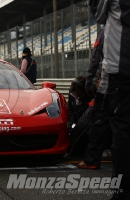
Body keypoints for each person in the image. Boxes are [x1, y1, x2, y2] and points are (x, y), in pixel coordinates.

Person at [90, 0, 130, 199]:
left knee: (122, 135)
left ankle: (122, 192)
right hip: (118, 74)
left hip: (121, 75)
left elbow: (98, 14)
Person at [77, 27, 112, 170]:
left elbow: (96, 59)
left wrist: (90, 83)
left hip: (109, 85)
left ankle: (91, 160)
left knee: (99, 122)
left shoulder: (108, 30)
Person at [67, 76, 93, 156]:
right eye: (75, 93)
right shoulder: (72, 94)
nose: (77, 96)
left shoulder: (90, 99)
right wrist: (68, 125)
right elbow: (69, 111)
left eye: (79, 94)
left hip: (86, 125)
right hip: (77, 120)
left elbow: (85, 121)